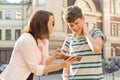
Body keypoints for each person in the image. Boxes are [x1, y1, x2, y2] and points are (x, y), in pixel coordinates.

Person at [0, 10, 77, 80]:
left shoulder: (44, 40)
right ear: (42, 24)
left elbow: (43, 64)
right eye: (52, 23)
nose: (54, 26)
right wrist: (60, 65)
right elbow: (36, 69)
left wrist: (54, 56)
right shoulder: (26, 40)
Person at [61, 6, 106, 80]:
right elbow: (67, 62)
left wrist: (86, 34)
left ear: (83, 18)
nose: (74, 27)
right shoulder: (69, 38)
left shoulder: (95, 33)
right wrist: (65, 77)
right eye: (71, 25)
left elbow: (96, 49)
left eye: (77, 23)